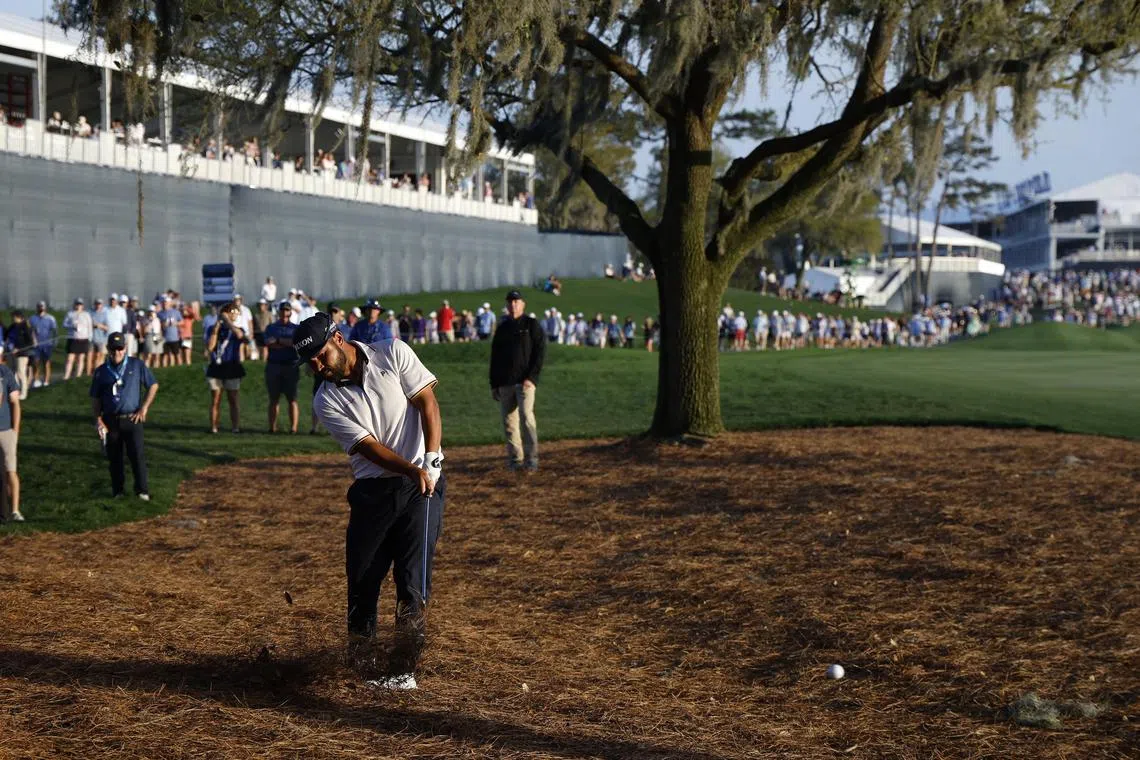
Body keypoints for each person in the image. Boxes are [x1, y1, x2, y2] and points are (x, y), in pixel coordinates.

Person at [298, 312, 445, 691]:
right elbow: (369, 448)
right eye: (309, 362)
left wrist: (431, 459)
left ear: (338, 338)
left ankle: (402, 669)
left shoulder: (392, 353)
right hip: (374, 493)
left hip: (422, 487)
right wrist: (411, 469)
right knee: (363, 576)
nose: (316, 366)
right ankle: (361, 663)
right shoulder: (325, 401)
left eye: (319, 355)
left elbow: (427, 402)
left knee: (412, 580)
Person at [91, 332, 158, 501]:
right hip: (110, 420)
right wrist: (97, 419)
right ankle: (118, 491)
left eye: (120, 348)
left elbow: (153, 385)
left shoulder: (136, 365)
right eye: (113, 349)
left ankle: (142, 490)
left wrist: (143, 409)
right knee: (115, 458)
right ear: (108, 349)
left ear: (125, 348)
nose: (117, 352)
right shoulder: (101, 371)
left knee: (137, 456)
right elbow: (96, 398)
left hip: (131, 418)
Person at [489, 290, 545, 472]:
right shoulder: (503, 328)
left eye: (516, 301)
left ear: (523, 304)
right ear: (507, 305)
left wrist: (532, 378)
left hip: (525, 382)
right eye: (510, 302)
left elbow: (539, 353)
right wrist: (494, 384)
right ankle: (515, 459)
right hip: (505, 383)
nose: (513, 305)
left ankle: (532, 459)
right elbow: (495, 357)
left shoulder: (531, 325)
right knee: (509, 423)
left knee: (527, 418)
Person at [205, 301, 246, 434]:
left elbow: (240, 335)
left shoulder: (238, 328)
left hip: (232, 366)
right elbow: (210, 347)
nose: (233, 314)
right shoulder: (212, 328)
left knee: (233, 399)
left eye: (235, 312)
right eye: (231, 312)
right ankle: (214, 427)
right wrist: (216, 330)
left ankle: (235, 427)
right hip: (216, 367)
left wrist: (227, 321)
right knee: (215, 399)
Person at [263, 300, 299, 433]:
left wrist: (278, 341)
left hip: (291, 366)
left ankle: (293, 428)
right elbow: (268, 343)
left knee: (292, 399)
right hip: (274, 365)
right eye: (283, 310)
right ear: (279, 312)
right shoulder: (271, 327)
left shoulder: (295, 328)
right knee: (274, 399)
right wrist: (286, 343)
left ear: (290, 312)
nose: (285, 312)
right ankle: (272, 427)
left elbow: (296, 344)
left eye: (287, 310)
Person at [0, 357, 23, 521]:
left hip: (5, 430)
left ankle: (15, 510)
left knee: (10, 470)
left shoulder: (5, 372)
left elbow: (15, 403)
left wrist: (15, 430)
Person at [5, 311, 33, 399]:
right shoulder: (12, 326)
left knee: (21, 372)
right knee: (13, 373)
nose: (13, 319)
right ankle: (15, 391)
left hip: (22, 353)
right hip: (11, 353)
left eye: (14, 317)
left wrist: (18, 348)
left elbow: (30, 342)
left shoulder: (25, 327)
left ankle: (24, 393)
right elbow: (6, 336)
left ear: (20, 317)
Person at [63, 298, 93, 380]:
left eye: (80, 304)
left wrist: (90, 338)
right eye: (77, 304)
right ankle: (66, 376)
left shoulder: (86, 314)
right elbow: (64, 324)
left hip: (83, 339)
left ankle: (78, 376)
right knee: (70, 358)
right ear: (74, 305)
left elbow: (90, 327)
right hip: (73, 338)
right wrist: (72, 326)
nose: (78, 306)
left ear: (82, 306)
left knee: (81, 358)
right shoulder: (70, 314)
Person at [29, 302, 57, 388]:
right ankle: (36, 380)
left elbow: (54, 331)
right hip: (36, 345)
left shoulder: (50, 318)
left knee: (46, 363)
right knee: (36, 362)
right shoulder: (32, 318)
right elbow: (30, 330)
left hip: (47, 344)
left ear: (45, 308)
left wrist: (54, 342)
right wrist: (33, 339)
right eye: (39, 306)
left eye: (42, 306)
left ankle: (46, 380)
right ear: (37, 308)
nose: (41, 308)